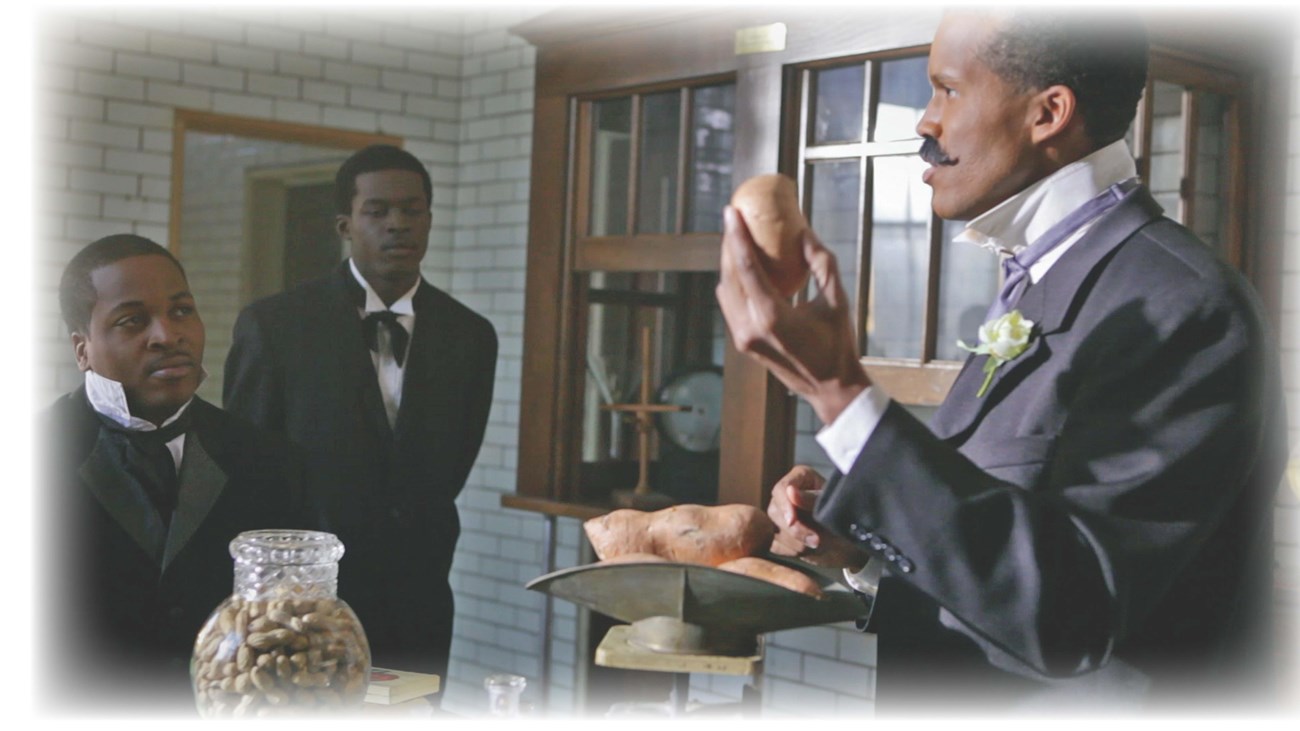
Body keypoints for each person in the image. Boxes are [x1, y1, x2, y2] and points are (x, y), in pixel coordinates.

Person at [716, 9, 1287, 715]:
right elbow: (1006, 554)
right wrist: (863, 550)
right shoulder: (1043, 276)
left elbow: (1075, 615)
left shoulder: (1183, 305)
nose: (924, 123)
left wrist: (840, 394)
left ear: (1049, 113)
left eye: (946, 89)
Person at [223, 144, 498, 693]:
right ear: (346, 225)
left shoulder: (470, 335)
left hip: (419, 591)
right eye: (378, 212)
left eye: (412, 210)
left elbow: (451, 467)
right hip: (304, 601)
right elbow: (246, 467)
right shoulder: (275, 326)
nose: (398, 224)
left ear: (429, 218)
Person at [41, 234, 302, 714]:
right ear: (82, 349)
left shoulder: (265, 458)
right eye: (132, 321)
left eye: (181, 310)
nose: (167, 334)